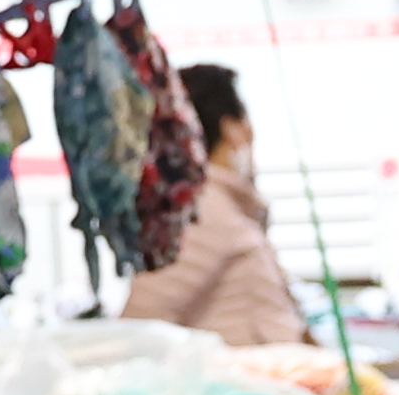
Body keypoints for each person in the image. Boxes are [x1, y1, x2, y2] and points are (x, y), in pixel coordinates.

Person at [116, 63, 302, 347]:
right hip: (236, 387)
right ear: (233, 129)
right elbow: (139, 327)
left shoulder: (225, 206)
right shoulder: (201, 212)